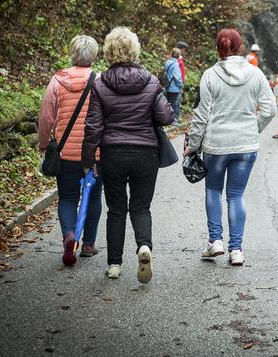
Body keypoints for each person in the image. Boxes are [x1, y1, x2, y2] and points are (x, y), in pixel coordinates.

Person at [82, 27, 174, 282]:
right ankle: (144, 246)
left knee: (116, 210)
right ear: (135, 50)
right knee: (141, 207)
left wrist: (88, 161)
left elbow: (93, 127)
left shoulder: (100, 84)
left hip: (113, 154)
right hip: (146, 154)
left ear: (109, 51)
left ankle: (114, 265)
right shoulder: (151, 81)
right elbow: (166, 117)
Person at [184, 29, 276, 266]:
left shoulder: (210, 76)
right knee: (236, 195)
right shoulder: (256, 74)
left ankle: (215, 241)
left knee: (213, 190)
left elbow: (201, 115)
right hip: (246, 146)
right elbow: (270, 109)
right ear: (241, 47)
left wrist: (192, 145)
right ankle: (236, 250)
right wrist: (252, 128)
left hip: (216, 146)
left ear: (218, 48)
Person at [38, 35, 103, 266]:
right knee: (94, 197)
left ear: (72, 54)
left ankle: (69, 235)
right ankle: (88, 245)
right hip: (93, 154)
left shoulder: (57, 81)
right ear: (94, 55)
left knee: (67, 197)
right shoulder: (99, 81)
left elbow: (46, 117)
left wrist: (44, 144)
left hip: (65, 153)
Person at [164, 48, 184, 125]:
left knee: (168, 103)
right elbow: (177, 77)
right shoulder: (175, 64)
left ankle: (167, 119)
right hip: (174, 88)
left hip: (168, 86)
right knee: (173, 104)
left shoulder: (168, 62)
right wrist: (181, 85)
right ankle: (173, 121)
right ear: (178, 56)